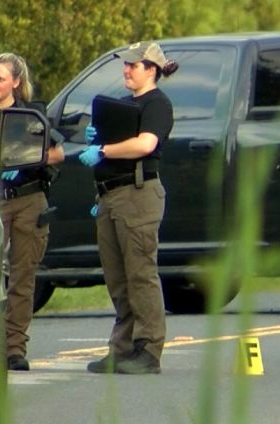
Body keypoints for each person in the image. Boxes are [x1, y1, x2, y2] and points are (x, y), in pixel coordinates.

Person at [78, 41, 178, 375]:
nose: (126, 70)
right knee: (118, 278)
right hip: (110, 196)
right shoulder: (122, 106)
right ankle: (121, 349)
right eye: (126, 65)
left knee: (140, 274)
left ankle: (148, 350)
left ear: (151, 69)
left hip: (138, 195)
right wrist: (96, 139)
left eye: (133, 66)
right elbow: (109, 143)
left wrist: (104, 150)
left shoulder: (157, 105)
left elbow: (145, 144)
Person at [0, 52, 63, 372]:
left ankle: (14, 347)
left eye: (0, 78)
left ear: (16, 82)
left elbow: (57, 153)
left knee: (22, 276)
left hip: (27, 198)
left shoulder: (31, 116)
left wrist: (25, 160)